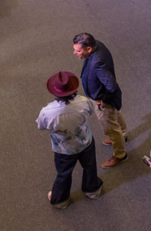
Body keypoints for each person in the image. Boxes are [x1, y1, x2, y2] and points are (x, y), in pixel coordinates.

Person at [37, 71, 103, 209]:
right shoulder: (84, 102)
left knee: (64, 173)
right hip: (86, 142)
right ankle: (93, 191)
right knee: (90, 166)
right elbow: (91, 111)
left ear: (55, 92)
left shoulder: (47, 112)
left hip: (63, 149)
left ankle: (60, 200)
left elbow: (41, 126)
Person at [72, 33, 128, 169]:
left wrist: (104, 101)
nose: (74, 53)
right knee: (116, 114)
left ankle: (120, 154)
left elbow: (112, 86)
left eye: (78, 51)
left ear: (89, 49)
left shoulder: (98, 64)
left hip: (104, 101)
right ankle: (123, 135)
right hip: (109, 99)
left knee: (111, 128)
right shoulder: (97, 44)